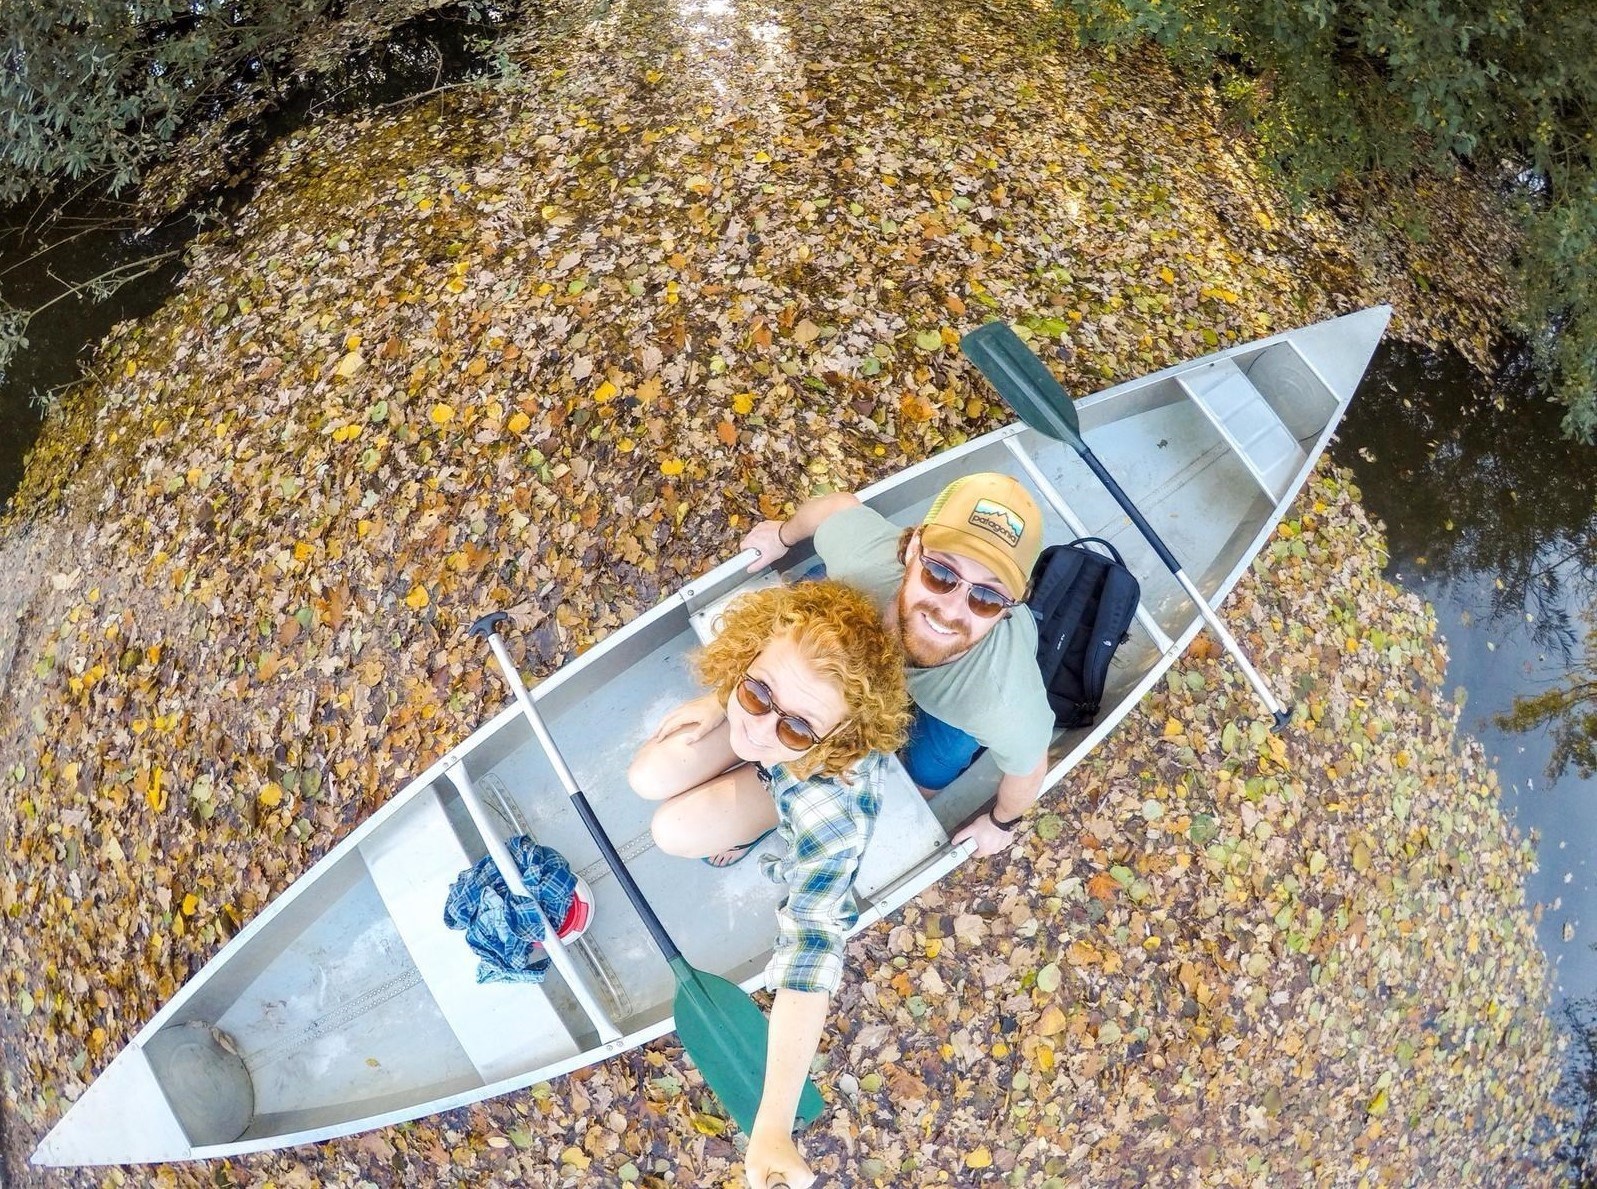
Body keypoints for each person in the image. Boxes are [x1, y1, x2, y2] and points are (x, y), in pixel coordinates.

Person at [628, 580, 912, 1189]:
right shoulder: (769, 647)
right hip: (777, 737)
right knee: (650, 773)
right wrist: (722, 700)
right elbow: (757, 681)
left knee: (673, 830)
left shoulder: (834, 804)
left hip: (790, 787)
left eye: (799, 726)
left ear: (837, 740)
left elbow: (811, 948)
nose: (761, 727)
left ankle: (756, 818)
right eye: (759, 690)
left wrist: (773, 1123)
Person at [739, 472, 1054, 857]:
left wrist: (1000, 822)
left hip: (952, 708)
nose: (950, 611)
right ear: (911, 548)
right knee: (814, 607)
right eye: (941, 573)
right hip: (872, 629)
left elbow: (1030, 765)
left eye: (987, 598)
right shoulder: (864, 560)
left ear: (1010, 607)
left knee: (929, 768)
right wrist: (781, 536)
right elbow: (837, 506)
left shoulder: (1000, 703)